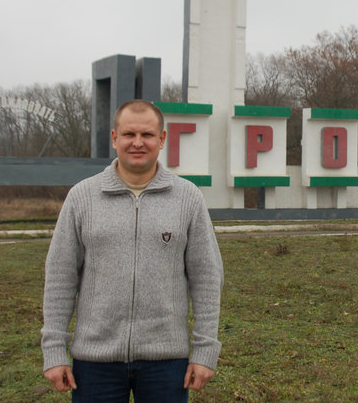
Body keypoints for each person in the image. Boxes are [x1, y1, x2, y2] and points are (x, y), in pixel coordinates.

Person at [41, 100, 223, 403]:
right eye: (128, 134)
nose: (138, 143)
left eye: (148, 135)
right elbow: (60, 277)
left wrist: (205, 350)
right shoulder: (82, 197)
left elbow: (207, 278)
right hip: (95, 362)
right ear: (114, 138)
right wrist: (54, 350)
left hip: (166, 362)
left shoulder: (187, 198)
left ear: (162, 139)